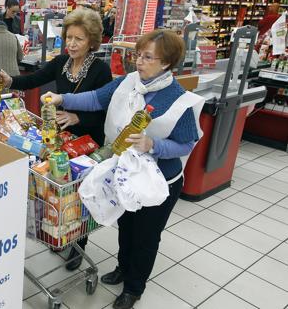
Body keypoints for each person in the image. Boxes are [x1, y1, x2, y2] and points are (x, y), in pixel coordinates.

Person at [41, 29, 201, 309]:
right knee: (126, 227)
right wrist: (62, 99)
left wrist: (154, 144)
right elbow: (95, 99)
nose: (138, 61)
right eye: (138, 55)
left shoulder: (179, 100)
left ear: (166, 63)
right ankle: (122, 268)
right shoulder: (129, 82)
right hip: (124, 174)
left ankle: (134, 288)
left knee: (146, 237)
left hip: (159, 182)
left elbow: (187, 144)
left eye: (148, 57)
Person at [0, 8, 112, 270]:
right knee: (57, 188)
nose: (71, 43)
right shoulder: (61, 63)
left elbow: (105, 110)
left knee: (80, 195)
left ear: (91, 41)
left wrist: (78, 118)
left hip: (88, 141)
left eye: (78, 39)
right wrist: (10, 79)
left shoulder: (101, 70)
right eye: (68, 37)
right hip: (59, 139)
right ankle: (59, 232)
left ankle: (79, 245)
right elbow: (35, 79)